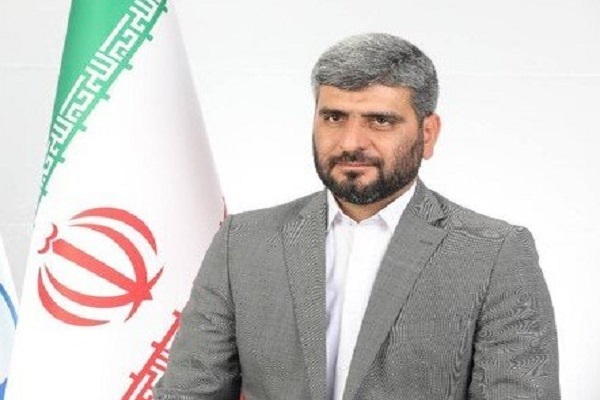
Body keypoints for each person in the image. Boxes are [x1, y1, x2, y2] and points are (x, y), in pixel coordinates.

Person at [154, 33, 560, 400]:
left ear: (427, 134)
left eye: (380, 121)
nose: (351, 142)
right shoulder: (243, 242)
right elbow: (188, 392)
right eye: (334, 117)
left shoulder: (494, 254)